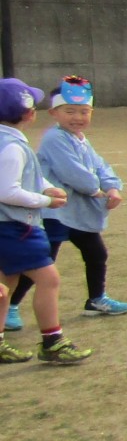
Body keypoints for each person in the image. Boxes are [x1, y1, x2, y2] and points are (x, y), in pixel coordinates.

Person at [10, 78, 127, 329]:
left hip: (77, 212)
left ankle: (96, 299)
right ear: (54, 113)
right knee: (40, 262)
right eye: (70, 111)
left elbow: (100, 165)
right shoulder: (55, 138)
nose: (78, 117)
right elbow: (73, 173)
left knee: (96, 253)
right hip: (55, 212)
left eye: (84, 111)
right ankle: (10, 306)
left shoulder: (80, 138)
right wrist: (98, 192)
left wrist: (112, 186)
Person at [0, 78, 91, 365]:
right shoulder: (12, 146)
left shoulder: (7, 141)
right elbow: (7, 190)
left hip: (8, 227)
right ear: (29, 114)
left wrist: (44, 185)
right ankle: (53, 341)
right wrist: (45, 201)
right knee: (49, 280)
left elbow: (19, 176)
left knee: (6, 284)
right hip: (16, 227)